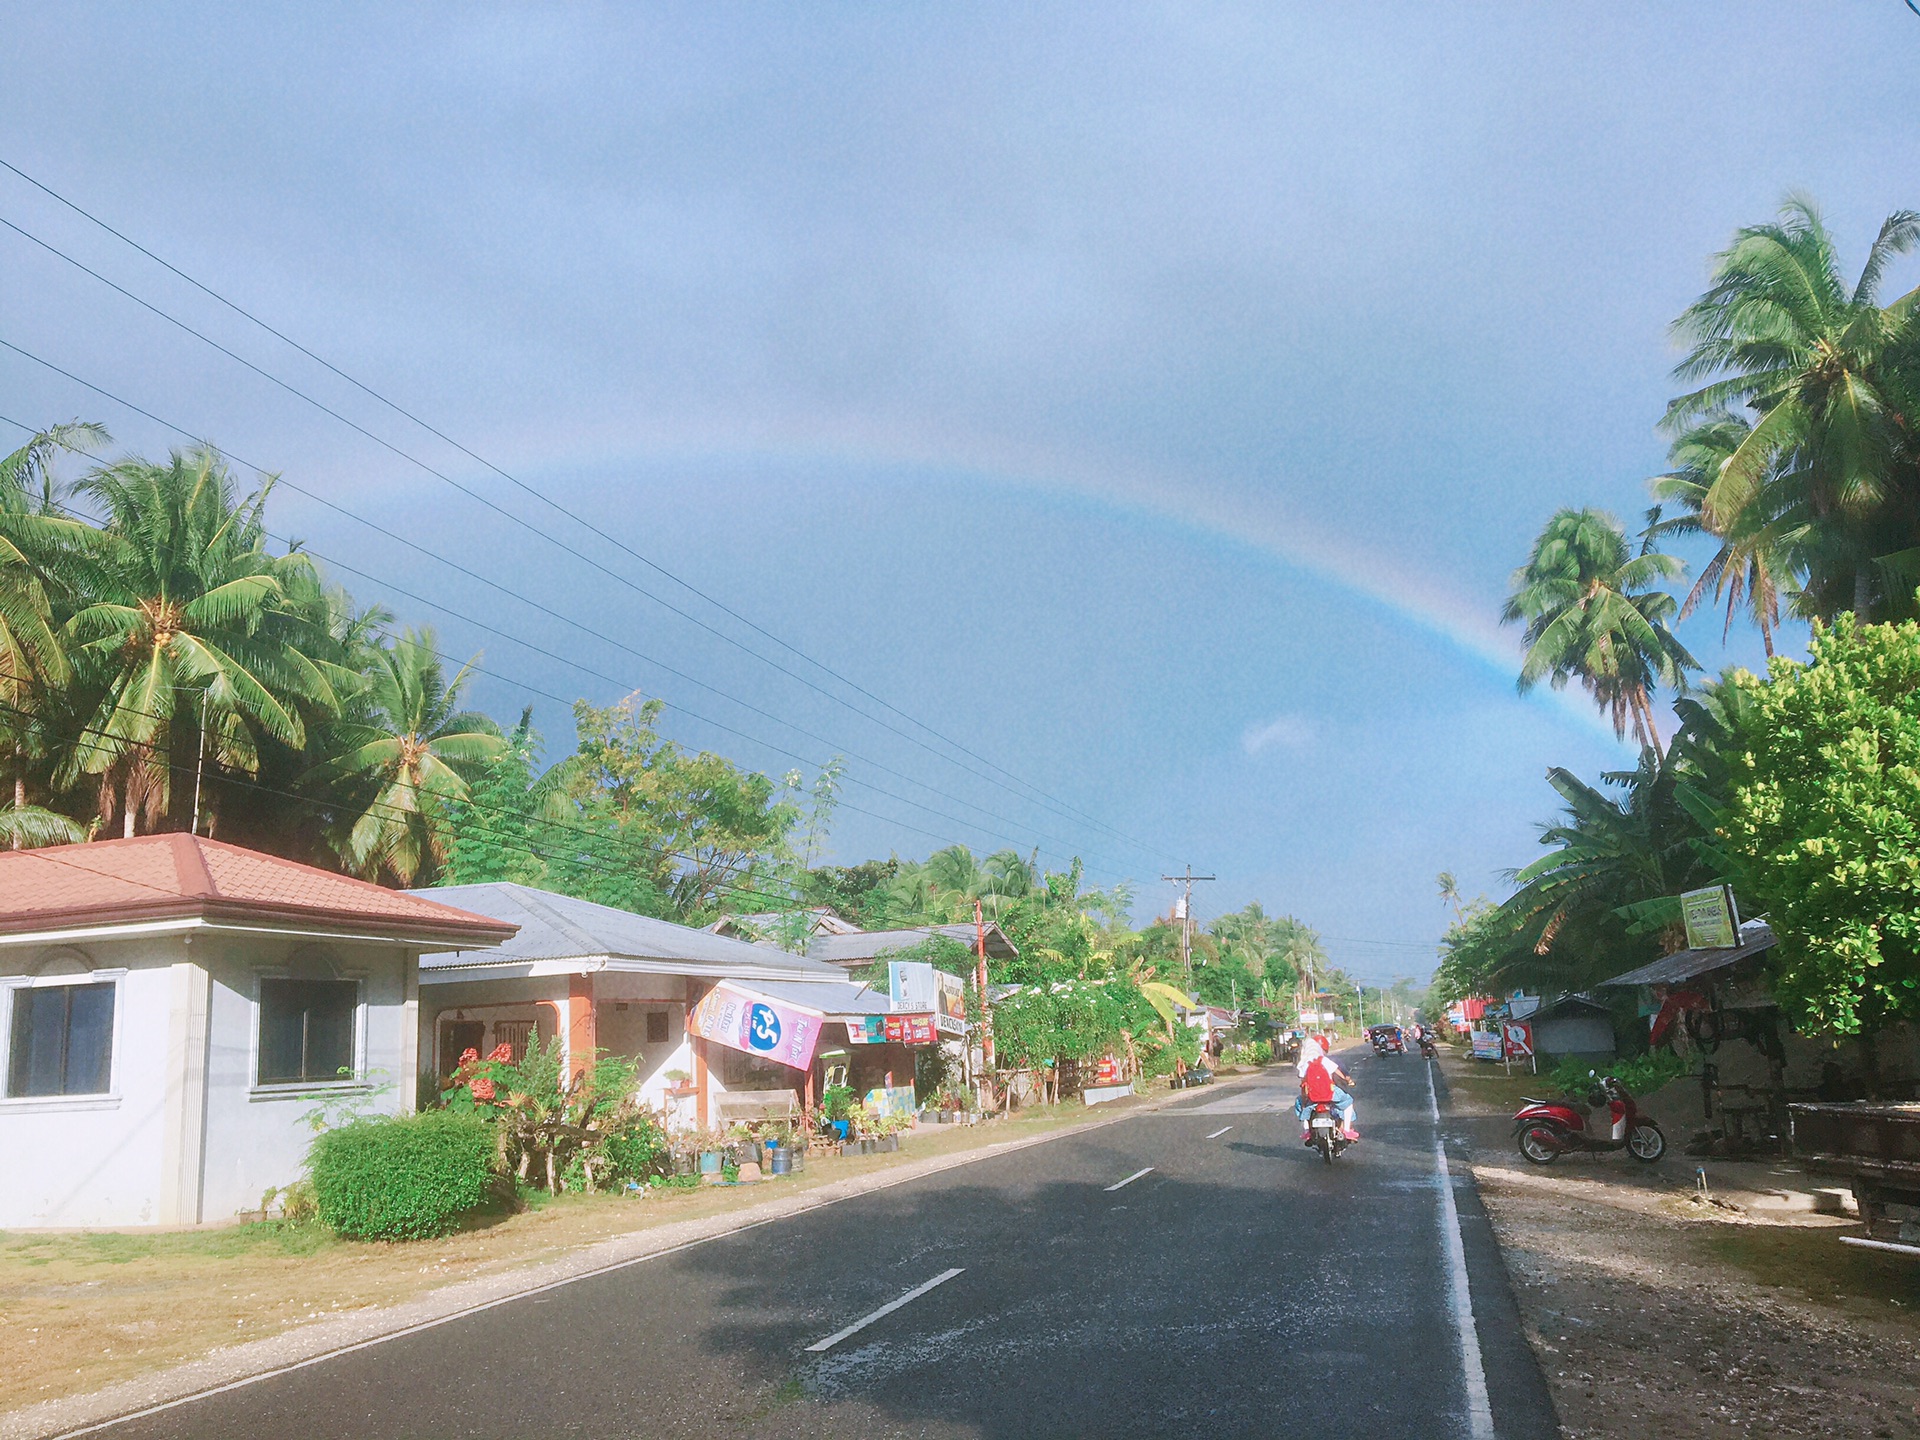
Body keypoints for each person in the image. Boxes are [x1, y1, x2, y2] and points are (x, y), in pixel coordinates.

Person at [1296, 1046, 1358, 1143]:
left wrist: (1304, 1102)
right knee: (1348, 1102)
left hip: (1312, 1097)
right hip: (1330, 1094)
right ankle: (1347, 1130)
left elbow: (1303, 1085)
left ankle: (1307, 1131)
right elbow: (1338, 1073)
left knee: (1300, 1104)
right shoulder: (1324, 1060)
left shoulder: (1304, 1064)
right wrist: (1346, 1081)